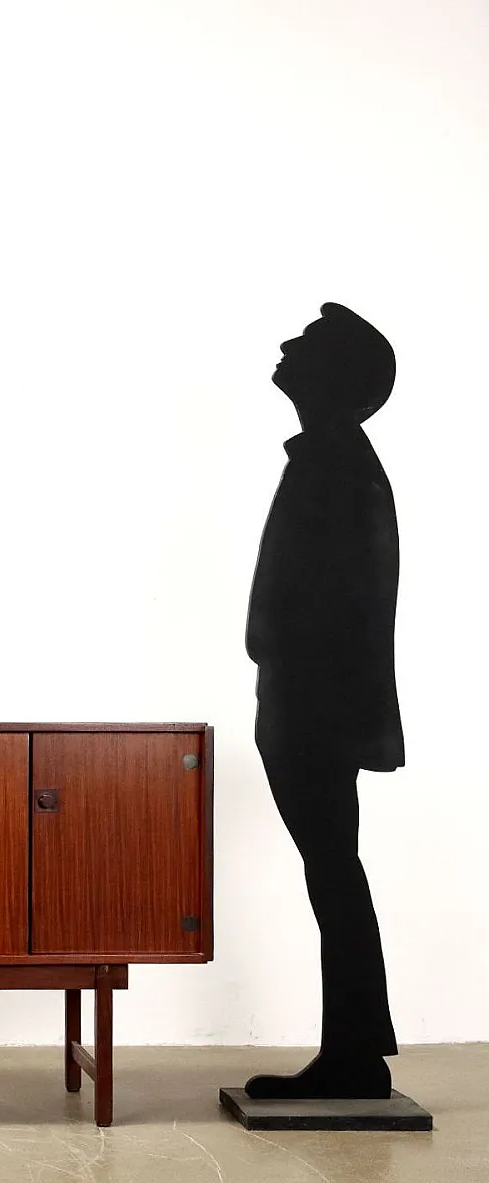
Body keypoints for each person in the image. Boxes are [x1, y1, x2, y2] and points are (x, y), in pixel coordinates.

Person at [244, 302, 403, 1100]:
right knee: (332, 870)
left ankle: (355, 1053)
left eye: (305, 344)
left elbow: (347, 602)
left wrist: (294, 676)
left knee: (333, 870)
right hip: (309, 701)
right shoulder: (332, 459)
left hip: (316, 707)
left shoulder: (337, 465)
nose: (285, 346)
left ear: (332, 376)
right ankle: (356, 1047)